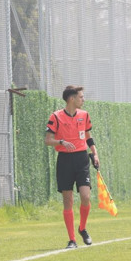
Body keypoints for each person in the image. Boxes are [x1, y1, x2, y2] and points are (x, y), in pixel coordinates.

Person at [44, 85, 100, 249]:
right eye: (81, 97)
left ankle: (82, 228)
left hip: (81, 159)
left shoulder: (84, 115)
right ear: (71, 99)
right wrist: (60, 142)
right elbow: (48, 140)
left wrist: (94, 153)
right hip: (65, 160)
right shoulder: (56, 117)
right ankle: (72, 240)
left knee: (85, 196)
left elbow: (88, 137)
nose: (83, 100)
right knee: (67, 201)